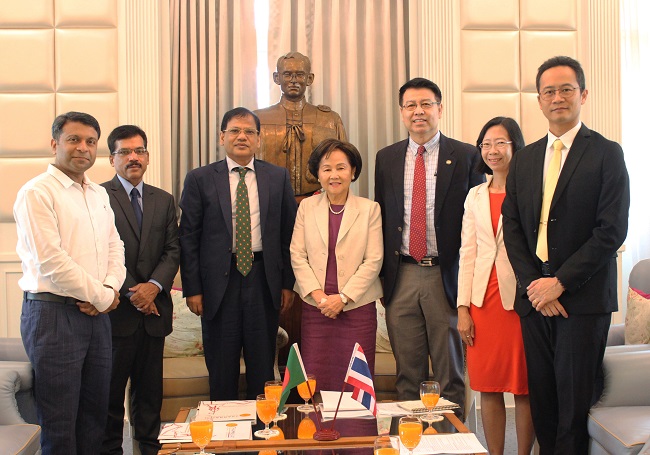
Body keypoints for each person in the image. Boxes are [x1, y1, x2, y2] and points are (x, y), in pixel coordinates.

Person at [502, 56, 630, 454]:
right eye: (549, 91)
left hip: (582, 300)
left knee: (574, 409)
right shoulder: (525, 159)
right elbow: (512, 227)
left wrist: (559, 283)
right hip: (534, 301)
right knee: (543, 404)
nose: (557, 98)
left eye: (566, 89)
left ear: (583, 94)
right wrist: (535, 286)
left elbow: (611, 231)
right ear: (539, 100)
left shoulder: (607, 153)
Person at [13, 112, 126, 454]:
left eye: (91, 141)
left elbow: (115, 247)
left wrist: (109, 290)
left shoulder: (98, 193)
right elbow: (51, 261)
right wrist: (102, 297)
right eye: (74, 139)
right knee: (59, 424)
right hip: (53, 317)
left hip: (96, 317)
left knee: (95, 419)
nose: (83, 148)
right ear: (55, 144)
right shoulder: (37, 192)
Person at [374, 77, 484, 414]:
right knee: (408, 374)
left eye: (426, 104)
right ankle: (412, 438)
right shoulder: (386, 158)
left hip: (445, 275)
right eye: (410, 105)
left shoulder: (466, 156)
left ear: (440, 108)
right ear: (402, 112)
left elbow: (478, 221)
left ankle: (453, 439)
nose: (418, 111)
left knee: (450, 373)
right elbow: (383, 216)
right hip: (402, 274)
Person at [179, 107, 297, 400]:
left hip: (263, 280)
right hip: (218, 285)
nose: (242, 136)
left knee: (262, 369)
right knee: (222, 369)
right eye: (234, 131)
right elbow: (188, 238)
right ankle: (223, 428)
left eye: (249, 132)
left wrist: (287, 283)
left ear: (258, 139)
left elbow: (288, 234)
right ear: (222, 137)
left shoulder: (277, 177)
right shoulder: (199, 179)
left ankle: (263, 427)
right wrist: (193, 289)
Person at [100, 125, 180, 455]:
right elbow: (100, 252)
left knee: (149, 396)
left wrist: (153, 287)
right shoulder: (97, 196)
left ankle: (149, 450)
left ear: (147, 157)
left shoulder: (164, 199)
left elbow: (173, 250)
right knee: (109, 396)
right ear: (112, 159)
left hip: (154, 315)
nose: (133, 157)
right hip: (116, 313)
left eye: (140, 151)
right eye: (125, 152)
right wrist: (135, 293)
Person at [457, 117, 534, 455]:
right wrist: (462, 308)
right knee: (487, 386)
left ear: (515, 146)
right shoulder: (474, 196)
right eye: (486, 144)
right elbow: (467, 252)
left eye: (500, 142)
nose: (492, 150)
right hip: (481, 303)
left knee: (523, 386)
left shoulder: (531, 190)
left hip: (520, 301)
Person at [290, 139, 383, 391]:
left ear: (353, 171)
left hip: (357, 308)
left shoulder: (370, 209)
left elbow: (373, 260)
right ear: (318, 174)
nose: (334, 175)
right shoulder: (306, 207)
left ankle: (358, 421)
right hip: (316, 309)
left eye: (341, 168)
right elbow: (297, 254)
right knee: (315, 379)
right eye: (327, 168)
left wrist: (342, 298)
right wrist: (320, 298)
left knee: (356, 382)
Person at [255, 51, 347, 196]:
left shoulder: (329, 119)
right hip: (270, 199)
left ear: (309, 78)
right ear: (276, 78)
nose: (293, 80)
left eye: (299, 75)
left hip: (318, 200)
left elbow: (344, 165)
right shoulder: (259, 119)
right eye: (287, 74)